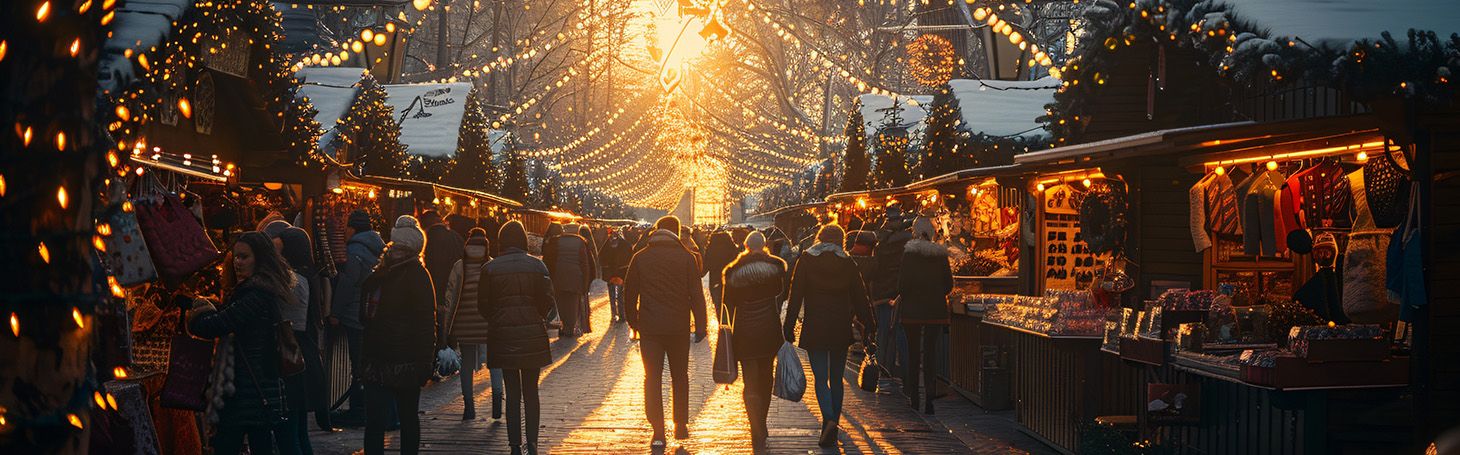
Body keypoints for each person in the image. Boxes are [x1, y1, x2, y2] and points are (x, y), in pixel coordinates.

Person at [186, 232, 301, 455]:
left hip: (249, 390)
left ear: (259, 259)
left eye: (244, 257)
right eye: (235, 257)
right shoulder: (258, 291)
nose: (238, 262)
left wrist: (197, 313)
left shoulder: (256, 294)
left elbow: (218, 325)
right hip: (255, 387)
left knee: (228, 445)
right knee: (260, 444)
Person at [783, 224, 875, 448]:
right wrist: (869, 323)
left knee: (820, 377)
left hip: (815, 326)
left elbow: (795, 295)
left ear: (819, 238)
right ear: (841, 240)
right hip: (839, 327)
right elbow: (860, 296)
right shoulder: (848, 263)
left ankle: (829, 421)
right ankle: (833, 419)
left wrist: (788, 326)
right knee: (837, 378)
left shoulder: (806, 260)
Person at [624, 216, 708, 447]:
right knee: (680, 376)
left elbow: (629, 294)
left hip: (650, 328)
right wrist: (701, 326)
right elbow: (696, 295)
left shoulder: (640, 258)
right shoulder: (687, 258)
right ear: (677, 232)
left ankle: (658, 431)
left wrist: (634, 322)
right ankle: (680, 423)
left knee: (652, 378)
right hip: (678, 327)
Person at [477, 221, 557, 455]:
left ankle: (514, 445)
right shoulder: (538, 266)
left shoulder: (490, 269)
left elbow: (483, 305)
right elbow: (548, 302)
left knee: (512, 392)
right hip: (532, 335)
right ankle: (532, 442)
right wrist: (537, 317)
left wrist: (498, 319)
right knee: (531, 391)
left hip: (503, 336)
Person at [360, 216, 437, 455]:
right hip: (393, 359)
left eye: (401, 248)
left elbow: (426, 323)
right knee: (393, 420)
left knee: (389, 421)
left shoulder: (391, 275)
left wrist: (424, 363)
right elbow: (426, 323)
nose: (397, 252)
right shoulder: (402, 274)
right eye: (397, 247)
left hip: (392, 359)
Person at [720, 231, 787, 450]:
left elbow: (727, 304)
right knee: (766, 378)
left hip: (745, 332)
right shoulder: (776, 268)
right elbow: (781, 293)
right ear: (764, 245)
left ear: (746, 247)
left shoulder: (733, 272)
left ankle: (754, 425)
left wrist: (725, 329)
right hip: (769, 330)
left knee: (750, 381)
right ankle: (762, 422)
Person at [330, 210, 384, 426]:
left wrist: (335, 312)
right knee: (366, 362)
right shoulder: (379, 249)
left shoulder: (354, 252)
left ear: (353, 228)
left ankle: (358, 409)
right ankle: (365, 407)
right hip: (373, 315)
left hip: (354, 315)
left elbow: (347, 284)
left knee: (358, 364)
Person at [443, 228, 503, 422]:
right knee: (495, 363)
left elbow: (450, 296)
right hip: (488, 324)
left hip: (464, 324)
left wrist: (447, 327)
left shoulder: (459, 266)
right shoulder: (492, 266)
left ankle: (469, 407)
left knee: (466, 365)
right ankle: (496, 405)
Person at [898, 216, 953, 414]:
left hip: (912, 312)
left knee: (914, 355)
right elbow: (948, 285)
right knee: (931, 354)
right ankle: (929, 399)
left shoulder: (909, 255)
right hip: (935, 311)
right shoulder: (940, 255)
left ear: (914, 231)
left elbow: (903, 285)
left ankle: (914, 398)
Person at [277, 227, 325, 452]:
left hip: (294, 353)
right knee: (299, 426)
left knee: (293, 425)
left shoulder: (295, 280)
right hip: (305, 351)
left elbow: (290, 320)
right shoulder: (310, 274)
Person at [872, 206, 912, 376]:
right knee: (899, 331)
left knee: (883, 331)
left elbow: (876, 269)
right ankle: (903, 369)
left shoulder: (881, 244)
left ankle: (883, 365)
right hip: (900, 293)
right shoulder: (907, 243)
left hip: (882, 293)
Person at [545, 223, 594, 337]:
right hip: (576, 277)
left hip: (558, 276)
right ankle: (569, 327)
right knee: (573, 303)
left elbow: (548, 260)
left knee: (560, 301)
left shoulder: (555, 241)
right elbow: (585, 264)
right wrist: (585, 283)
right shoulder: (581, 242)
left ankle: (564, 325)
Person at [420, 210, 464, 335]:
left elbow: (434, 269)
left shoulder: (428, 240)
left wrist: (437, 298)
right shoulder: (456, 237)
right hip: (456, 293)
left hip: (436, 295)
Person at [702, 230, 739, 317]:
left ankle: (720, 324)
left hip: (715, 282)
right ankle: (731, 324)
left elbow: (705, 268)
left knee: (718, 305)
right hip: (731, 281)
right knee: (731, 306)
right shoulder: (733, 249)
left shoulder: (711, 250)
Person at [599, 230, 632, 323]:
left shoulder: (606, 245)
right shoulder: (626, 244)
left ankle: (614, 314)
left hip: (610, 273)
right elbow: (630, 256)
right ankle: (622, 315)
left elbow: (600, 258)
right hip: (622, 273)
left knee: (612, 295)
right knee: (621, 295)